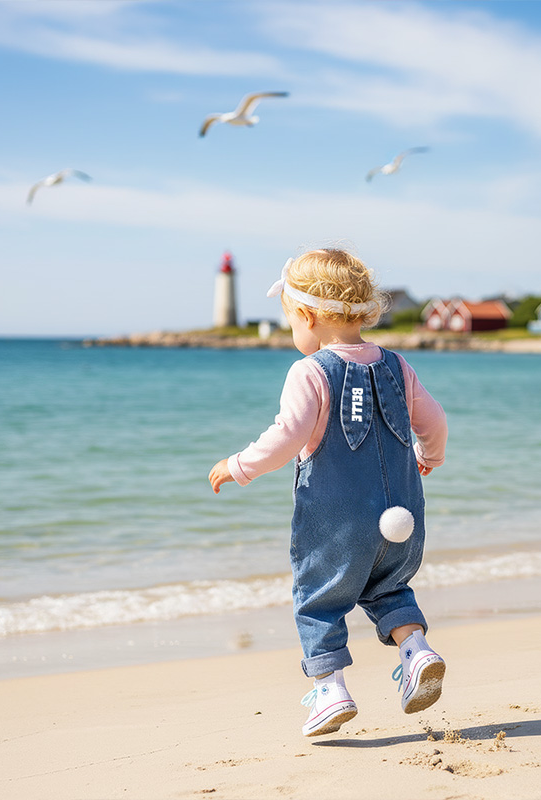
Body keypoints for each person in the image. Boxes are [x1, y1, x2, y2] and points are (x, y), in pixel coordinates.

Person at [209, 248, 448, 737]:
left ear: (309, 316)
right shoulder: (397, 366)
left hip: (337, 521)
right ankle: (416, 651)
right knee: (390, 588)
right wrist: (431, 455)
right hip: (402, 516)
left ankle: (330, 690)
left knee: (319, 598)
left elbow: (286, 436)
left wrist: (240, 466)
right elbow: (434, 420)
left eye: (290, 321)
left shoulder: (311, 371)